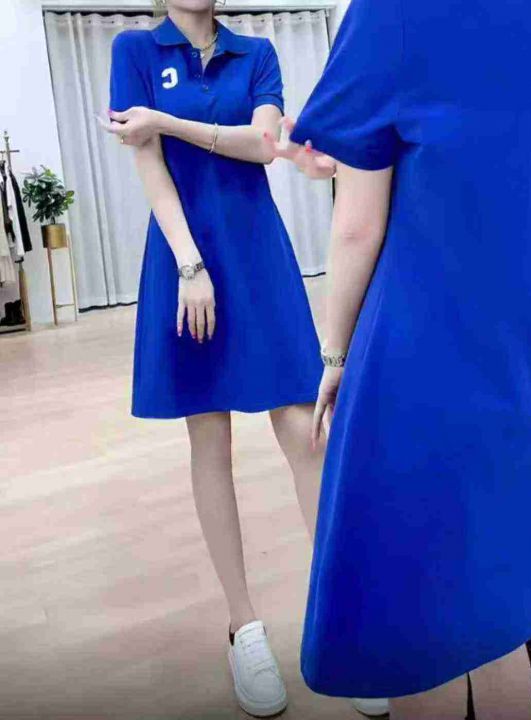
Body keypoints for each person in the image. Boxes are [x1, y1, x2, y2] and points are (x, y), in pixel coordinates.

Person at [268, 0, 531, 717]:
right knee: (500, 618)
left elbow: (358, 226)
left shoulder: (395, 11)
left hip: (424, 363)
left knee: (417, 632)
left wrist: (334, 353)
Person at [103, 1, 329, 716]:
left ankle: (341, 623)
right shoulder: (134, 51)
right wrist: (189, 264)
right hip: (186, 258)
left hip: (258, 253)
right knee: (210, 437)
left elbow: (263, 145)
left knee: (306, 431)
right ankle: (244, 627)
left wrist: (165, 121)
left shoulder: (256, 53)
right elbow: (147, 165)